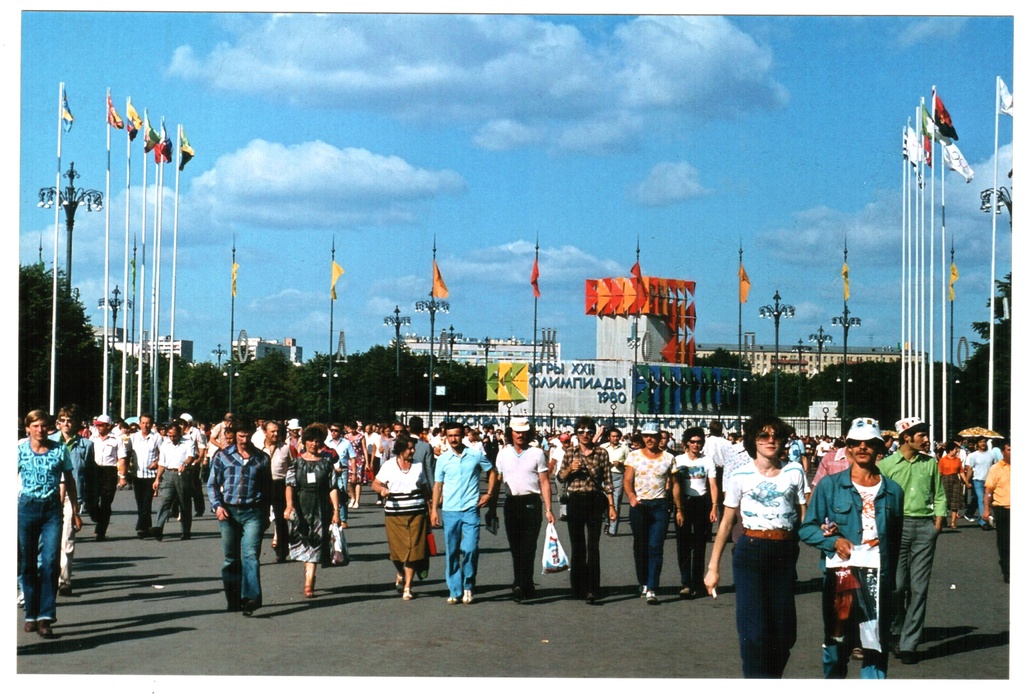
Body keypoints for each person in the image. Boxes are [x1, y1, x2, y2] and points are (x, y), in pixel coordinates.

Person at [704, 414, 808, 678]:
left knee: (785, 634)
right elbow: (727, 523)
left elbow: (804, 516)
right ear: (753, 440)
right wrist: (713, 567)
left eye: (776, 436)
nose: (770, 441)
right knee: (754, 632)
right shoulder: (740, 475)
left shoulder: (794, 471)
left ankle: (771, 678)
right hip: (750, 551)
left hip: (784, 553)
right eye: (764, 436)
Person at [799, 417, 904, 679]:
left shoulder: (893, 491)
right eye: (856, 443)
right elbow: (807, 528)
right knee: (836, 645)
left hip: (878, 581)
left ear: (879, 447)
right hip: (840, 578)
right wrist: (832, 541)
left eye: (869, 443)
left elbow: (896, 538)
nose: (862, 448)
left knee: (874, 646)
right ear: (848, 448)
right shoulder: (830, 486)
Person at [878, 416, 946, 665]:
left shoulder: (930, 463)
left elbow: (938, 492)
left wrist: (938, 520)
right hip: (896, 527)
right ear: (907, 437)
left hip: (924, 527)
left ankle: (909, 643)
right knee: (896, 586)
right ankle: (896, 629)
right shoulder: (886, 466)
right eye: (922, 436)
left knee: (919, 588)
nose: (927, 440)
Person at [18, 409, 82, 638]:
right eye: (35, 426)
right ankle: (31, 614)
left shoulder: (59, 450)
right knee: (27, 562)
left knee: (50, 561)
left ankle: (46, 616)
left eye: (44, 425)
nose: (40, 430)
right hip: (27, 508)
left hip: (52, 510)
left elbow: (70, 480)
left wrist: (75, 511)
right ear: (28, 428)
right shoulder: (19, 449)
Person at [208, 418, 272, 616]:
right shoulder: (223, 456)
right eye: (240, 435)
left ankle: (251, 598)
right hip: (229, 512)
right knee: (231, 558)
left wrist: (267, 514)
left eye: (247, 435)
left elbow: (268, 488)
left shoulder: (261, 458)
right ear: (234, 435)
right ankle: (233, 599)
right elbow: (211, 484)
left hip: (253, 512)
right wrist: (217, 506)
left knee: (250, 555)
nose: (244, 439)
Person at [431, 421, 497, 605]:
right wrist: (433, 510)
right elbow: (437, 485)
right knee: (452, 552)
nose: (453, 439)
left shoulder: (475, 455)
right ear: (446, 437)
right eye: (450, 435)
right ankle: (455, 589)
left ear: (463, 436)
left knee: (470, 549)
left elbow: (492, 472)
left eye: (457, 435)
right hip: (450, 510)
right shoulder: (443, 459)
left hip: (470, 509)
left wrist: (489, 494)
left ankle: (468, 585)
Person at [492, 417, 555, 602]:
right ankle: (519, 582)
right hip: (511, 503)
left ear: (529, 433)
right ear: (510, 433)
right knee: (515, 547)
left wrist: (548, 509)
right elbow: (497, 481)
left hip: (531, 503)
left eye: (524, 431)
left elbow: (544, 481)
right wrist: (492, 507)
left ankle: (524, 582)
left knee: (529, 546)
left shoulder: (537, 453)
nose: (520, 435)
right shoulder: (503, 454)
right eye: (517, 431)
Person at [557, 416, 616, 603]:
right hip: (575, 501)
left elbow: (608, 481)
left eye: (589, 431)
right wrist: (570, 470)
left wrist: (612, 506)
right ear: (576, 433)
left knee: (593, 546)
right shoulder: (570, 453)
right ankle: (577, 587)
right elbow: (560, 477)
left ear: (594, 434)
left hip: (594, 501)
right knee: (577, 546)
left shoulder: (601, 453)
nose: (585, 435)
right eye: (581, 431)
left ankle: (592, 588)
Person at [284, 424, 341, 598]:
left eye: (317, 441)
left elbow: (333, 487)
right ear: (305, 442)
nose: (314, 444)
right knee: (304, 541)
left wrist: (336, 511)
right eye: (310, 441)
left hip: (320, 508)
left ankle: (309, 581)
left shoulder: (326, 463)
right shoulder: (297, 463)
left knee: (316, 542)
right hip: (302, 506)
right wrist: (289, 505)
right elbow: (290, 485)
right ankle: (309, 571)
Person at [373, 433, 432, 600]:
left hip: (417, 513)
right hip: (395, 514)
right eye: (409, 448)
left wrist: (431, 509)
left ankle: (408, 587)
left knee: (414, 550)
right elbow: (375, 483)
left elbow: (425, 490)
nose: (413, 451)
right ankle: (400, 571)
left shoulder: (418, 466)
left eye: (413, 448)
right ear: (400, 450)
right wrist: (382, 490)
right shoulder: (389, 466)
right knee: (397, 552)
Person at [624, 421, 674, 605]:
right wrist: (630, 496)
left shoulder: (668, 458)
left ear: (660, 437)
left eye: (653, 436)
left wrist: (679, 507)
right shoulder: (634, 456)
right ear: (642, 437)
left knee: (655, 546)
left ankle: (652, 586)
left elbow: (674, 484)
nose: (649, 439)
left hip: (660, 506)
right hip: (639, 506)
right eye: (646, 436)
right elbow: (628, 480)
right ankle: (643, 581)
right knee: (640, 546)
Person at [49, 405, 93, 596]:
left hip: (72, 497)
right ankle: (49, 576)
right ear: (58, 422)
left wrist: (90, 501)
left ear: (76, 423)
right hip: (49, 494)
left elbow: (90, 474)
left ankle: (64, 580)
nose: (66, 423)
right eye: (63, 420)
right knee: (50, 540)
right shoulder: (49, 442)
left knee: (67, 539)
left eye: (70, 420)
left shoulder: (86, 445)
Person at [671, 426, 718, 599]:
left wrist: (714, 506)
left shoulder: (708, 460)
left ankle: (697, 583)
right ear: (686, 443)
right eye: (693, 442)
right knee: (683, 543)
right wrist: (678, 508)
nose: (696, 445)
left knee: (699, 544)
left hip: (702, 503)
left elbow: (713, 484)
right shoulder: (678, 460)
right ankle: (685, 582)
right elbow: (672, 484)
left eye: (699, 442)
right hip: (684, 503)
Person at [151, 422, 198, 541]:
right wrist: (157, 479)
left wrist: (185, 464)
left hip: (182, 474)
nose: (172, 438)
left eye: (174, 436)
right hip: (168, 474)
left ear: (180, 433)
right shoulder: (165, 444)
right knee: (165, 500)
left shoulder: (188, 442)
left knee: (184, 502)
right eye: (170, 435)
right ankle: (158, 529)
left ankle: (186, 530)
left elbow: (190, 457)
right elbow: (162, 463)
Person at [90, 414, 128, 540]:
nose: (98, 427)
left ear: (108, 426)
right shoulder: (92, 438)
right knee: (91, 501)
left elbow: (122, 458)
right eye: (97, 425)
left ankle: (101, 531)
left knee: (106, 501)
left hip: (109, 471)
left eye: (101, 425)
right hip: (95, 470)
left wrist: (122, 476)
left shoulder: (116, 439)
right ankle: (98, 518)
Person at [262, 419, 295, 562]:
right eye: (272, 431)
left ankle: (282, 552)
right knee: (260, 519)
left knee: (281, 519)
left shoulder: (285, 448)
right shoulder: (257, 448)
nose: (275, 434)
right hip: (262, 485)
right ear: (265, 432)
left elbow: (292, 468)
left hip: (280, 484)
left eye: (277, 431)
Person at [982, 439, 1010, 583]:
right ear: (1003, 452)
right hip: (1003, 509)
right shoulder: (996, 468)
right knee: (1005, 541)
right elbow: (988, 490)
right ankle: (1007, 570)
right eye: (1009, 449)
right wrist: (986, 509)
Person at [128, 413, 161, 538]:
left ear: (151, 424)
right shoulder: (133, 437)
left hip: (151, 476)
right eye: (143, 423)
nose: (145, 425)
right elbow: (127, 453)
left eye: (148, 423)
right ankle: (146, 527)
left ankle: (141, 528)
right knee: (140, 503)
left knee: (147, 503)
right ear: (139, 423)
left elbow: (163, 454)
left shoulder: (157, 437)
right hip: (137, 475)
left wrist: (156, 463)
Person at [965, 437, 1000, 530]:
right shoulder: (974, 455)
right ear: (977, 444)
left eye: (984, 441)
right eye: (980, 442)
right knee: (982, 500)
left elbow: (996, 466)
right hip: (978, 481)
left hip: (989, 481)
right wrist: (967, 481)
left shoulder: (992, 454)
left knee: (991, 501)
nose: (983, 443)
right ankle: (984, 522)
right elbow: (970, 469)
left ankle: (991, 518)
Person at [600, 426, 629, 536]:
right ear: (609, 437)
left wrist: (620, 464)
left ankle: (613, 529)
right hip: (604, 476)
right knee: (605, 502)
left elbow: (629, 463)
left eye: (617, 436)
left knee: (616, 502)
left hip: (618, 475)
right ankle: (607, 521)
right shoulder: (603, 447)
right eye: (613, 436)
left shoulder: (624, 448)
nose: (615, 438)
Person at [180, 413, 208, 516]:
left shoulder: (196, 432)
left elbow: (202, 447)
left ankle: (199, 508)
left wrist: (200, 459)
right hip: (183, 460)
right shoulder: (179, 431)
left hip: (194, 459)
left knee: (195, 486)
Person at [938, 442, 968, 530]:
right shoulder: (943, 460)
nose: (957, 451)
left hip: (955, 480)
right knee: (944, 502)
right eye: (955, 449)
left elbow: (961, 472)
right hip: (945, 480)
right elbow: (939, 473)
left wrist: (966, 482)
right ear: (950, 450)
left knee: (955, 502)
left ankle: (953, 522)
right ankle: (943, 519)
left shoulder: (958, 460)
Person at [346, 421, 369, 509]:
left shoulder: (361, 437)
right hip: (348, 460)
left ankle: (357, 500)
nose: (352, 430)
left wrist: (367, 462)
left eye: (353, 428)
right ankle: (352, 497)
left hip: (359, 459)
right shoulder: (346, 437)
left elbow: (364, 449)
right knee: (349, 480)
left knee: (358, 481)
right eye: (350, 428)